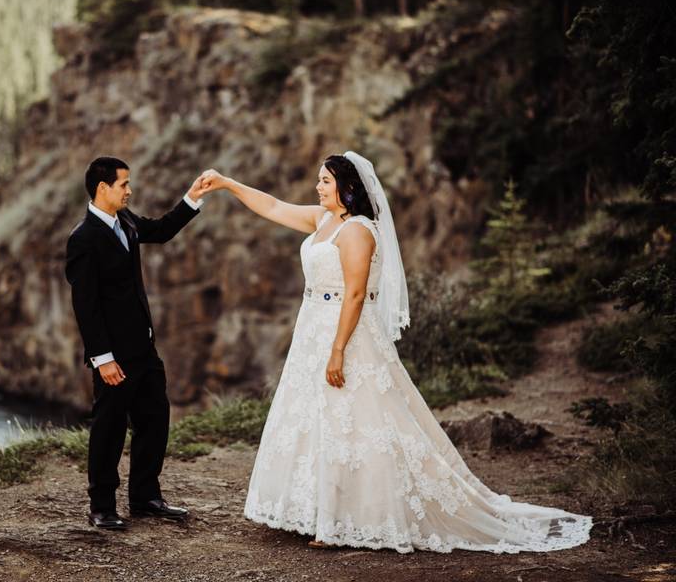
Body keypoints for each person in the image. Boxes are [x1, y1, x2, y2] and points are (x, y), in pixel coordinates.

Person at [198, 152, 592, 552]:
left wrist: (337, 351)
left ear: (347, 188)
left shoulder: (357, 231)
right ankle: (319, 510)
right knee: (318, 418)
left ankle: (341, 520)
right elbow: (273, 206)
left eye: (325, 181)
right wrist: (228, 184)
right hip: (312, 328)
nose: (317, 187)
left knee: (352, 418)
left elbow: (354, 294)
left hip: (344, 333)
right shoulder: (323, 221)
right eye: (319, 180)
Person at [65, 156, 215, 531]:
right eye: (124, 184)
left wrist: (192, 198)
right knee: (109, 430)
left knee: (155, 419)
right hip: (113, 356)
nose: (129, 191)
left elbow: (162, 230)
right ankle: (101, 506)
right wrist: (103, 358)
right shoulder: (83, 239)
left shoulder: (127, 222)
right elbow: (86, 306)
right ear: (103, 188)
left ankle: (145, 498)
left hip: (144, 349)